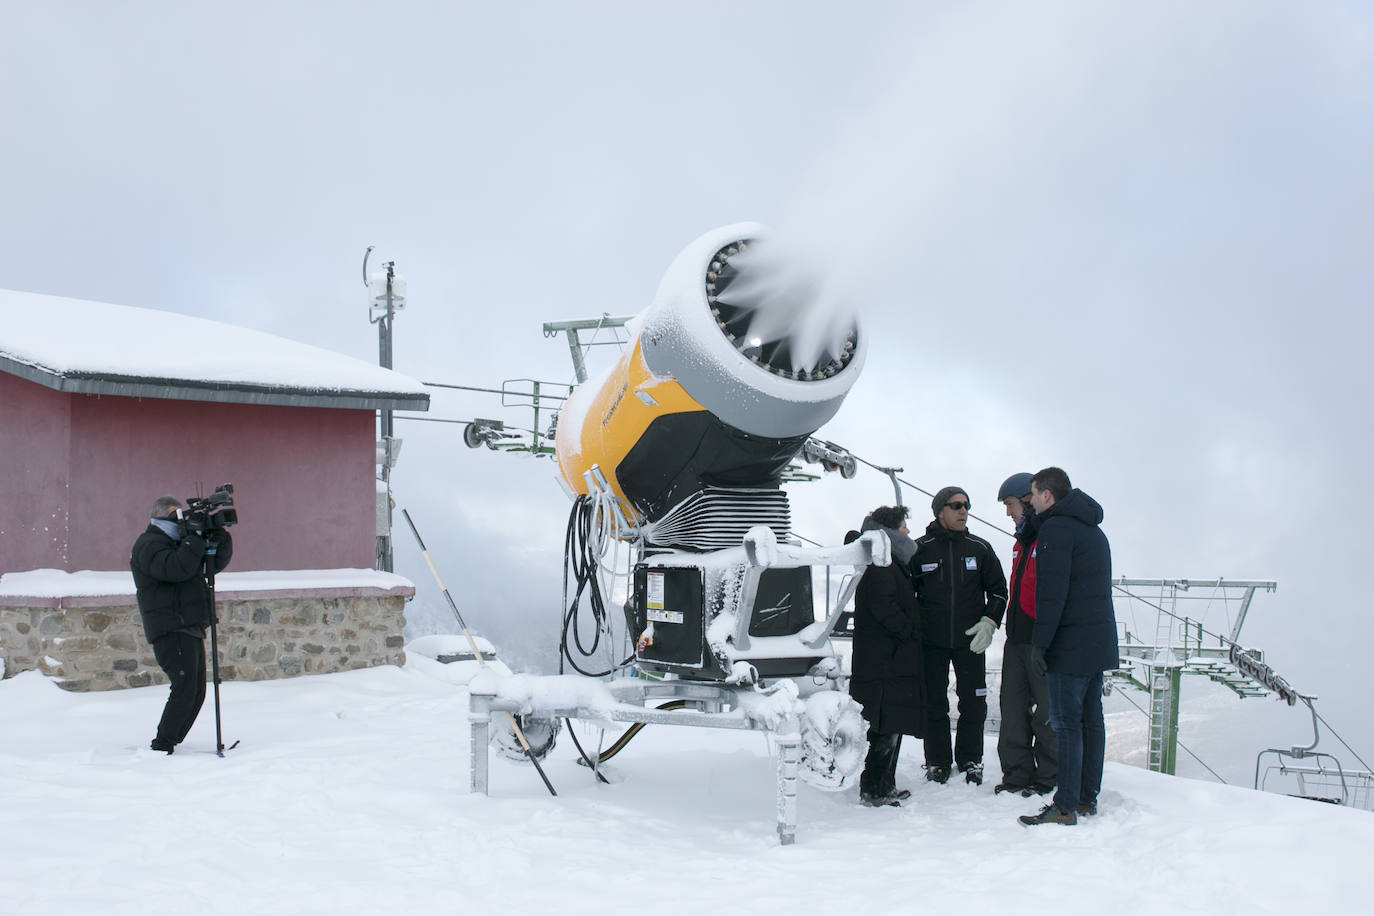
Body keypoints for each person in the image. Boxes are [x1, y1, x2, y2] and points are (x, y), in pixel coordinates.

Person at [1018, 467, 1118, 826]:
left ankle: (1064, 805)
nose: (1030, 501)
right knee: (1092, 722)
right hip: (1097, 641)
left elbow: (1052, 593)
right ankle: (1085, 798)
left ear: (1047, 495)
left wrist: (1041, 643)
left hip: (1069, 643)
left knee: (1066, 724)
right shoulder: (1093, 529)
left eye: (1033, 494)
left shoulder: (1056, 529)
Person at [912, 486, 1008, 785]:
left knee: (973, 701)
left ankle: (970, 760)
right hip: (931, 642)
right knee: (934, 702)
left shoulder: (979, 548)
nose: (963, 511)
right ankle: (937, 762)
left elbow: (998, 591)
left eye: (967, 505)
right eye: (956, 506)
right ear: (940, 510)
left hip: (970, 641)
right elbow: (905, 594)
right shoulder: (920, 549)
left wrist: (990, 621)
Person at [130, 495, 233, 754]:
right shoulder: (149, 544)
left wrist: (218, 538)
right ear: (161, 516)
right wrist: (194, 539)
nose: (182, 521)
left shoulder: (180, 544)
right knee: (185, 686)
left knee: (196, 690)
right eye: (177, 516)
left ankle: (170, 740)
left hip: (188, 624)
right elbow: (176, 569)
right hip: (170, 626)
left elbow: (210, 566)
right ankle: (162, 744)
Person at [849, 505, 925, 806]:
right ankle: (875, 788)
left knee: (890, 723)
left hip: (889, 660)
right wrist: (909, 631)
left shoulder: (888, 560)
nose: (907, 531)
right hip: (885, 662)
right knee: (884, 726)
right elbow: (884, 608)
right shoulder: (882, 564)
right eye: (903, 525)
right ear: (890, 531)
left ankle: (883, 785)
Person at [994, 472, 1058, 797]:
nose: (1008, 512)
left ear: (1028, 500)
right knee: (1013, 707)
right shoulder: (1022, 542)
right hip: (1016, 638)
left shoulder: (1048, 537)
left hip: (1040, 639)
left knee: (1046, 712)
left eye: (1010, 504)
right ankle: (1016, 774)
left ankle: (1047, 777)